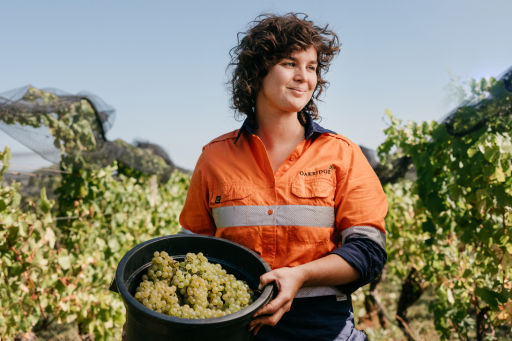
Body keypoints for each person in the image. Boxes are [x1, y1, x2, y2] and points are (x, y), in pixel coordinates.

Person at [172, 13, 386, 341]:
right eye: (290, 63)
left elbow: (368, 253)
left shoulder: (342, 154)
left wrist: (300, 275)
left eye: (312, 67)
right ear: (258, 71)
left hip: (322, 329)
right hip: (237, 328)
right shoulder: (214, 158)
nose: (304, 77)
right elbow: (189, 254)